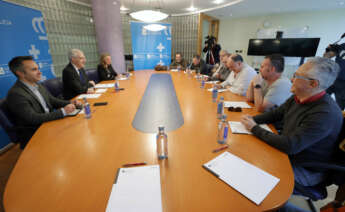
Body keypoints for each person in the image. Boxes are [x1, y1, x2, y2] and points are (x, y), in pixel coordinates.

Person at [241, 57, 343, 188]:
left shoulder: (325, 114)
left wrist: (254, 128)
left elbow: (290, 145)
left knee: (250, 175)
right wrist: (251, 120)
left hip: (304, 168)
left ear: (313, 84)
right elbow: (275, 114)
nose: (291, 79)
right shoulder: (298, 96)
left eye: (297, 76)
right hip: (287, 153)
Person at [6, 56, 79, 149]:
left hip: (49, 122)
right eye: (34, 69)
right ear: (20, 73)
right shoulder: (16, 94)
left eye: (38, 68)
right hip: (35, 132)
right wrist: (63, 112)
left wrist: (70, 102)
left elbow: (52, 101)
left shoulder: (37, 85)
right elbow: (33, 118)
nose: (39, 72)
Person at [324, 43, 345, 109]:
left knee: (339, 108)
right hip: (336, 80)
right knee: (338, 109)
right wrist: (328, 49)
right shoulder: (343, 46)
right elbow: (326, 56)